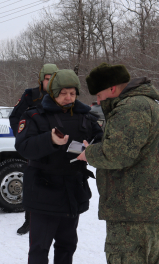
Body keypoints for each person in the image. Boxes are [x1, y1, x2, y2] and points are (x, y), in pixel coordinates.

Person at [15, 69, 103, 264]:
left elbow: (101, 140)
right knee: (39, 249)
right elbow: (23, 147)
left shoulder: (86, 117)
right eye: (63, 93)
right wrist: (49, 140)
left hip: (72, 190)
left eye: (72, 93)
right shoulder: (35, 116)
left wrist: (93, 149)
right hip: (43, 191)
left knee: (67, 245)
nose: (68, 98)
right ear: (53, 93)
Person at [77, 63, 159, 263]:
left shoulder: (132, 107)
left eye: (98, 95)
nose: (97, 101)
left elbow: (117, 154)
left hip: (132, 215)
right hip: (145, 211)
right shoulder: (147, 104)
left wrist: (88, 153)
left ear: (112, 89)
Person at [9, 63, 58, 235]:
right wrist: (23, 138)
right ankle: (29, 220)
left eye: (54, 78)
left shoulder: (63, 95)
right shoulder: (31, 95)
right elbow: (15, 116)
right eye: (47, 79)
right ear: (41, 80)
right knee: (32, 184)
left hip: (56, 146)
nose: (50, 82)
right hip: (35, 146)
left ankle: (53, 218)